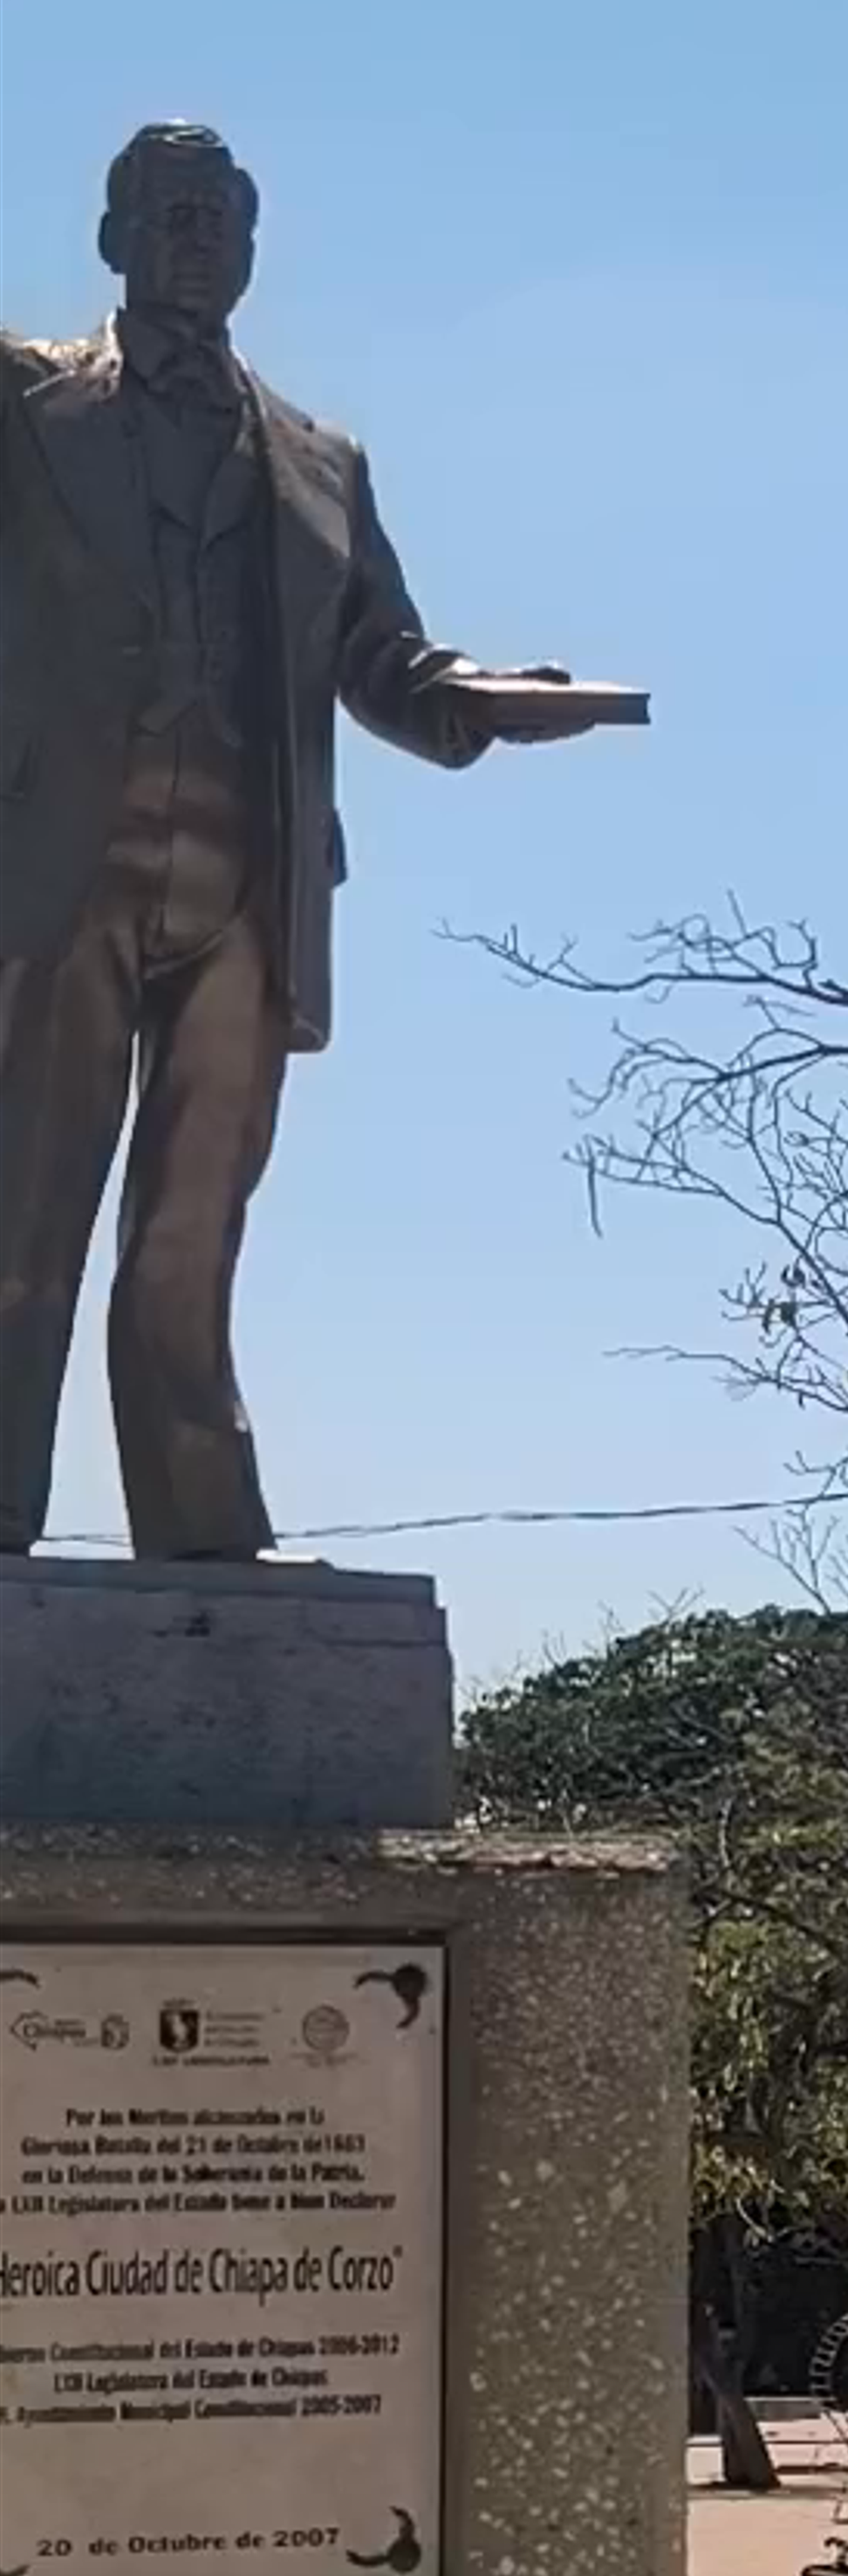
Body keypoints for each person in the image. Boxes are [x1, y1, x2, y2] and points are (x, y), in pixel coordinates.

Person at [1, 123, 634, 1558]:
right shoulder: (25, 401)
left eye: (221, 216)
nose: (197, 239)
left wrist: (481, 700)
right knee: (19, 1218)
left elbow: (384, 657)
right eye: (169, 215)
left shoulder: (317, 460)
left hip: (250, 893)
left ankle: (202, 1522)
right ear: (114, 239)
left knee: (191, 1238)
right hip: (57, 868)